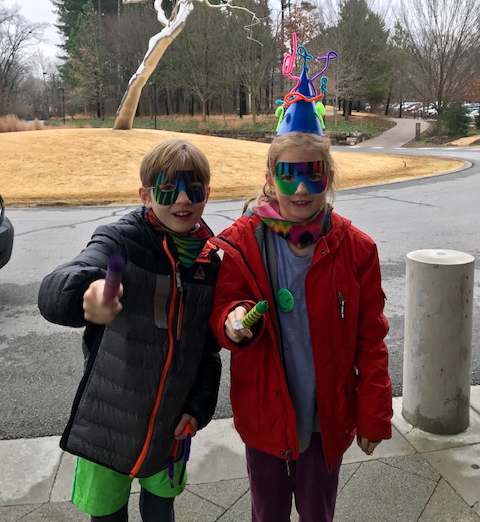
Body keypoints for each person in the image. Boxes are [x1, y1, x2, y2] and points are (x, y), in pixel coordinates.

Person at [209, 42, 392, 522]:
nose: (303, 189)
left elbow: (371, 338)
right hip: (265, 414)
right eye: (289, 176)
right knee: (267, 511)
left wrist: (374, 413)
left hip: (325, 417)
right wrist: (231, 323)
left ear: (329, 176)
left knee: (317, 512)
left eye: (314, 175)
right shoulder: (242, 243)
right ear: (271, 177)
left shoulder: (356, 249)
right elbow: (225, 305)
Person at [38, 138, 222, 522]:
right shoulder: (120, 239)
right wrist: (85, 294)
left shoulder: (209, 260)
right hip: (107, 421)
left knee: (160, 511)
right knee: (107, 515)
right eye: (168, 190)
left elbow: (207, 347)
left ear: (207, 193)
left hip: (171, 427)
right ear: (145, 195)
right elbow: (67, 279)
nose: (183, 200)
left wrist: (198, 407)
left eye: (194, 189)